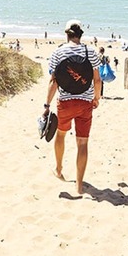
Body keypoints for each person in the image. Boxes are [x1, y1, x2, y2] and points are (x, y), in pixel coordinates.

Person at [44, 19, 103, 196]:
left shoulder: (58, 52)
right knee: (82, 142)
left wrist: (47, 105)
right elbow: (97, 80)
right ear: (80, 34)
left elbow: (53, 81)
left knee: (61, 134)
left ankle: (59, 169)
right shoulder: (90, 52)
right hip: (85, 103)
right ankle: (79, 186)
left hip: (65, 102)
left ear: (67, 34)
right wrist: (96, 98)